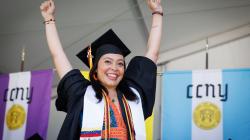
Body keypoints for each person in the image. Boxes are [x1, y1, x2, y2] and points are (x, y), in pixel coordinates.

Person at [40, 0, 163, 139]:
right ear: (96, 70)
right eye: (107, 62)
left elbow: (153, 53)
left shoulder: (134, 96)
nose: (114, 68)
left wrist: (157, 12)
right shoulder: (81, 93)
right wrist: (49, 19)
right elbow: (58, 54)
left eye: (120, 64)